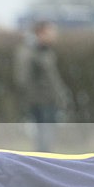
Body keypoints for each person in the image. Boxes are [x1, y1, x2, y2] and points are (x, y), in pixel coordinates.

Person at [13, 20, 72, 152]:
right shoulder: (29, 51)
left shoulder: (46, 51)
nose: (54, 35)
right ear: (40, 33)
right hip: (39, 103)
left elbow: (53, 79)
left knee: (49, 139)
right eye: (51, 32)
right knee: (42, 141)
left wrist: (61, 96)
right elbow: (22, 79)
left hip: (50, 101)